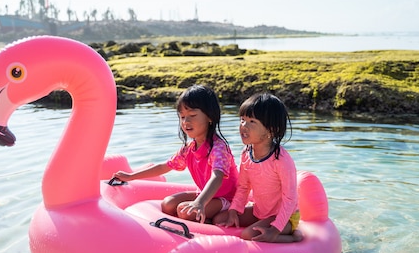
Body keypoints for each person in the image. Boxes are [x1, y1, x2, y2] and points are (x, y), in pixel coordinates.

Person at [112, 85, 238, 223]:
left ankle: (209, 219)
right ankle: (206, 218)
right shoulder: (189, 148)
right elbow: (164, 167)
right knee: (168, 204)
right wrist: (130, 177)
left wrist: (200, 202)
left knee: (185, 212)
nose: (186, 122)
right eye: (182, 117)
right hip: (205, 195)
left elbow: (217, 177)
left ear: (210, 117)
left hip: (226, 198)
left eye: (192, 115)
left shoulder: (218, 148)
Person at [213, 92, 303, 243]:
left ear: (271, 130)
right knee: (219, 218)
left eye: (252, 122)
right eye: (242, 120)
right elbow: (243, 186)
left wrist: (275, 230)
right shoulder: (246, 154)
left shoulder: (280, 160)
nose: (244, 126)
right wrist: (234, 210)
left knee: (249, 235)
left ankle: (293, 237)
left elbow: (290, 198)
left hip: (284, 217)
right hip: (259, 212)